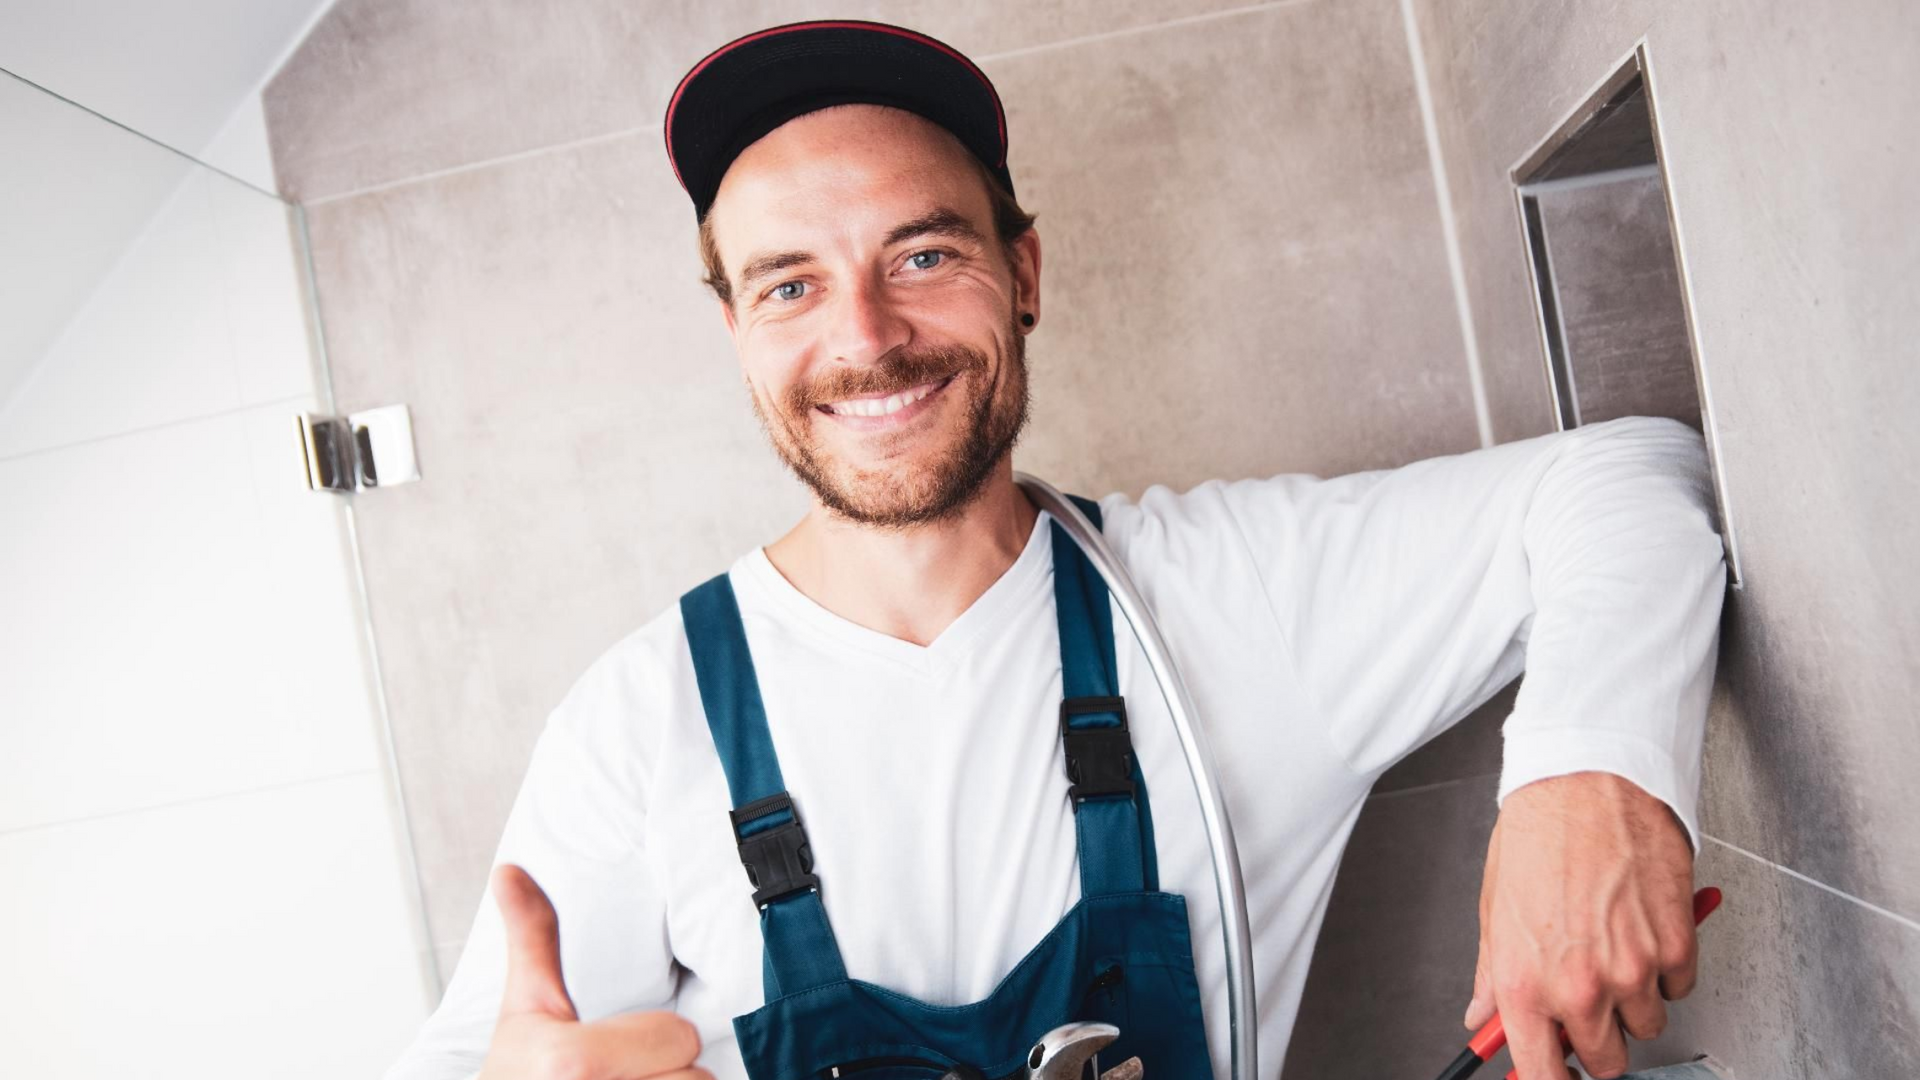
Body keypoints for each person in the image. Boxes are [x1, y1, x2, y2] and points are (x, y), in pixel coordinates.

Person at [385, 20, 1726, 1080]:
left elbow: (1631, 479)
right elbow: (479, 1056)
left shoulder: (1227, 601)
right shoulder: (640, 721)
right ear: (735, 328)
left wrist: (1584, 776)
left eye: (921, 254)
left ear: (1024, 273)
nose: (866, 334)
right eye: (789, 283)